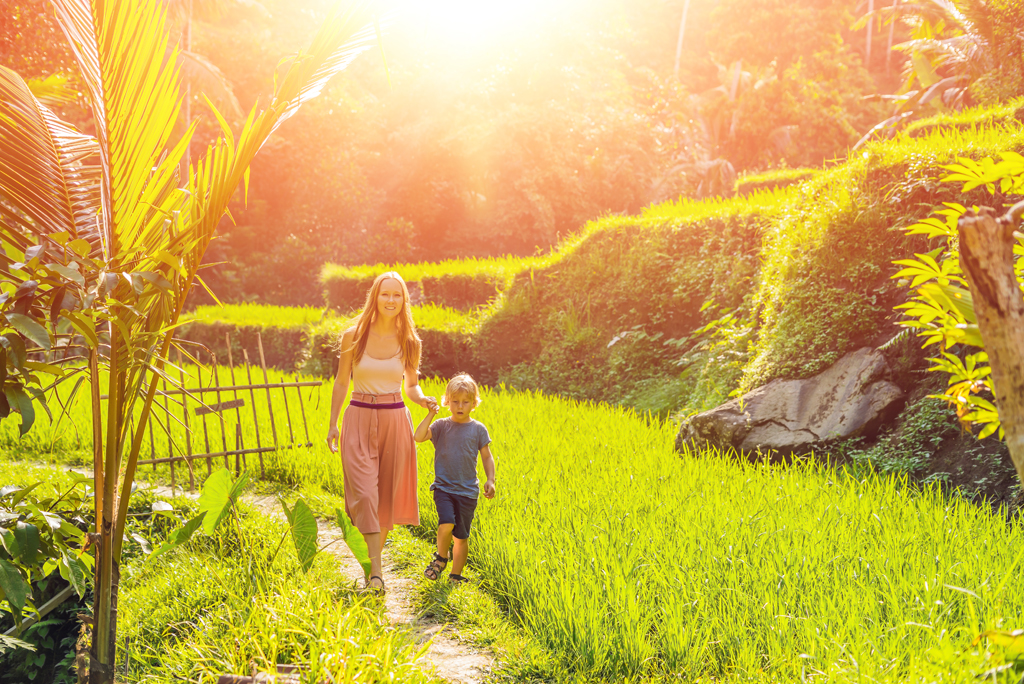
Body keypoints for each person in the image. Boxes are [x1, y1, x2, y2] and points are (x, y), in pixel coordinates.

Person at [326, 271, 438, 595]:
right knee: (364, 495)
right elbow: (342, 382)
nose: (391, 300)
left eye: (397, 294)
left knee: (384, 499)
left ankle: (374, 574)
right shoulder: (354, 336)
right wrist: (332, 424)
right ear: (374, 297)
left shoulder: (410, 341)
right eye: (385, 294)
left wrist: (423, 400)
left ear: (404, 300)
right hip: (358, 417)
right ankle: (375, 572)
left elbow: (411, 385)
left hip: (394, 419)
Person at [413, 373, 495, 585]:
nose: (460, 406)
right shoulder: (441, 426)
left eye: (465, 402)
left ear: (474, 403)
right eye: (455, 401)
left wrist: (491, 479)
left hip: (468, 492)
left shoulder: (478, 429)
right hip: (444, 488)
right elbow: (418, 437)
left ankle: (455, 575)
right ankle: (441, 558)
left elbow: (487, 456)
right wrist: (430, 414)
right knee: (446, 523)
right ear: (447, 401)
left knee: (461, 536)